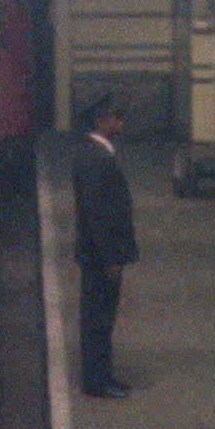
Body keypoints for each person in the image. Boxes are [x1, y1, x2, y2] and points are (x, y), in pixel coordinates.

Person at [73, 93, 138, 398]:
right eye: (116, 116)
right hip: (100, 256)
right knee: (98, 318)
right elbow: (95, 212)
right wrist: (110, 256)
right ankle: (97, 380)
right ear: (100, 121)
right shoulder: (95, 158)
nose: (121, 121)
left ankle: (102, 375)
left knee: (101, 317)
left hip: (100, 253)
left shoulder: (94, 154)